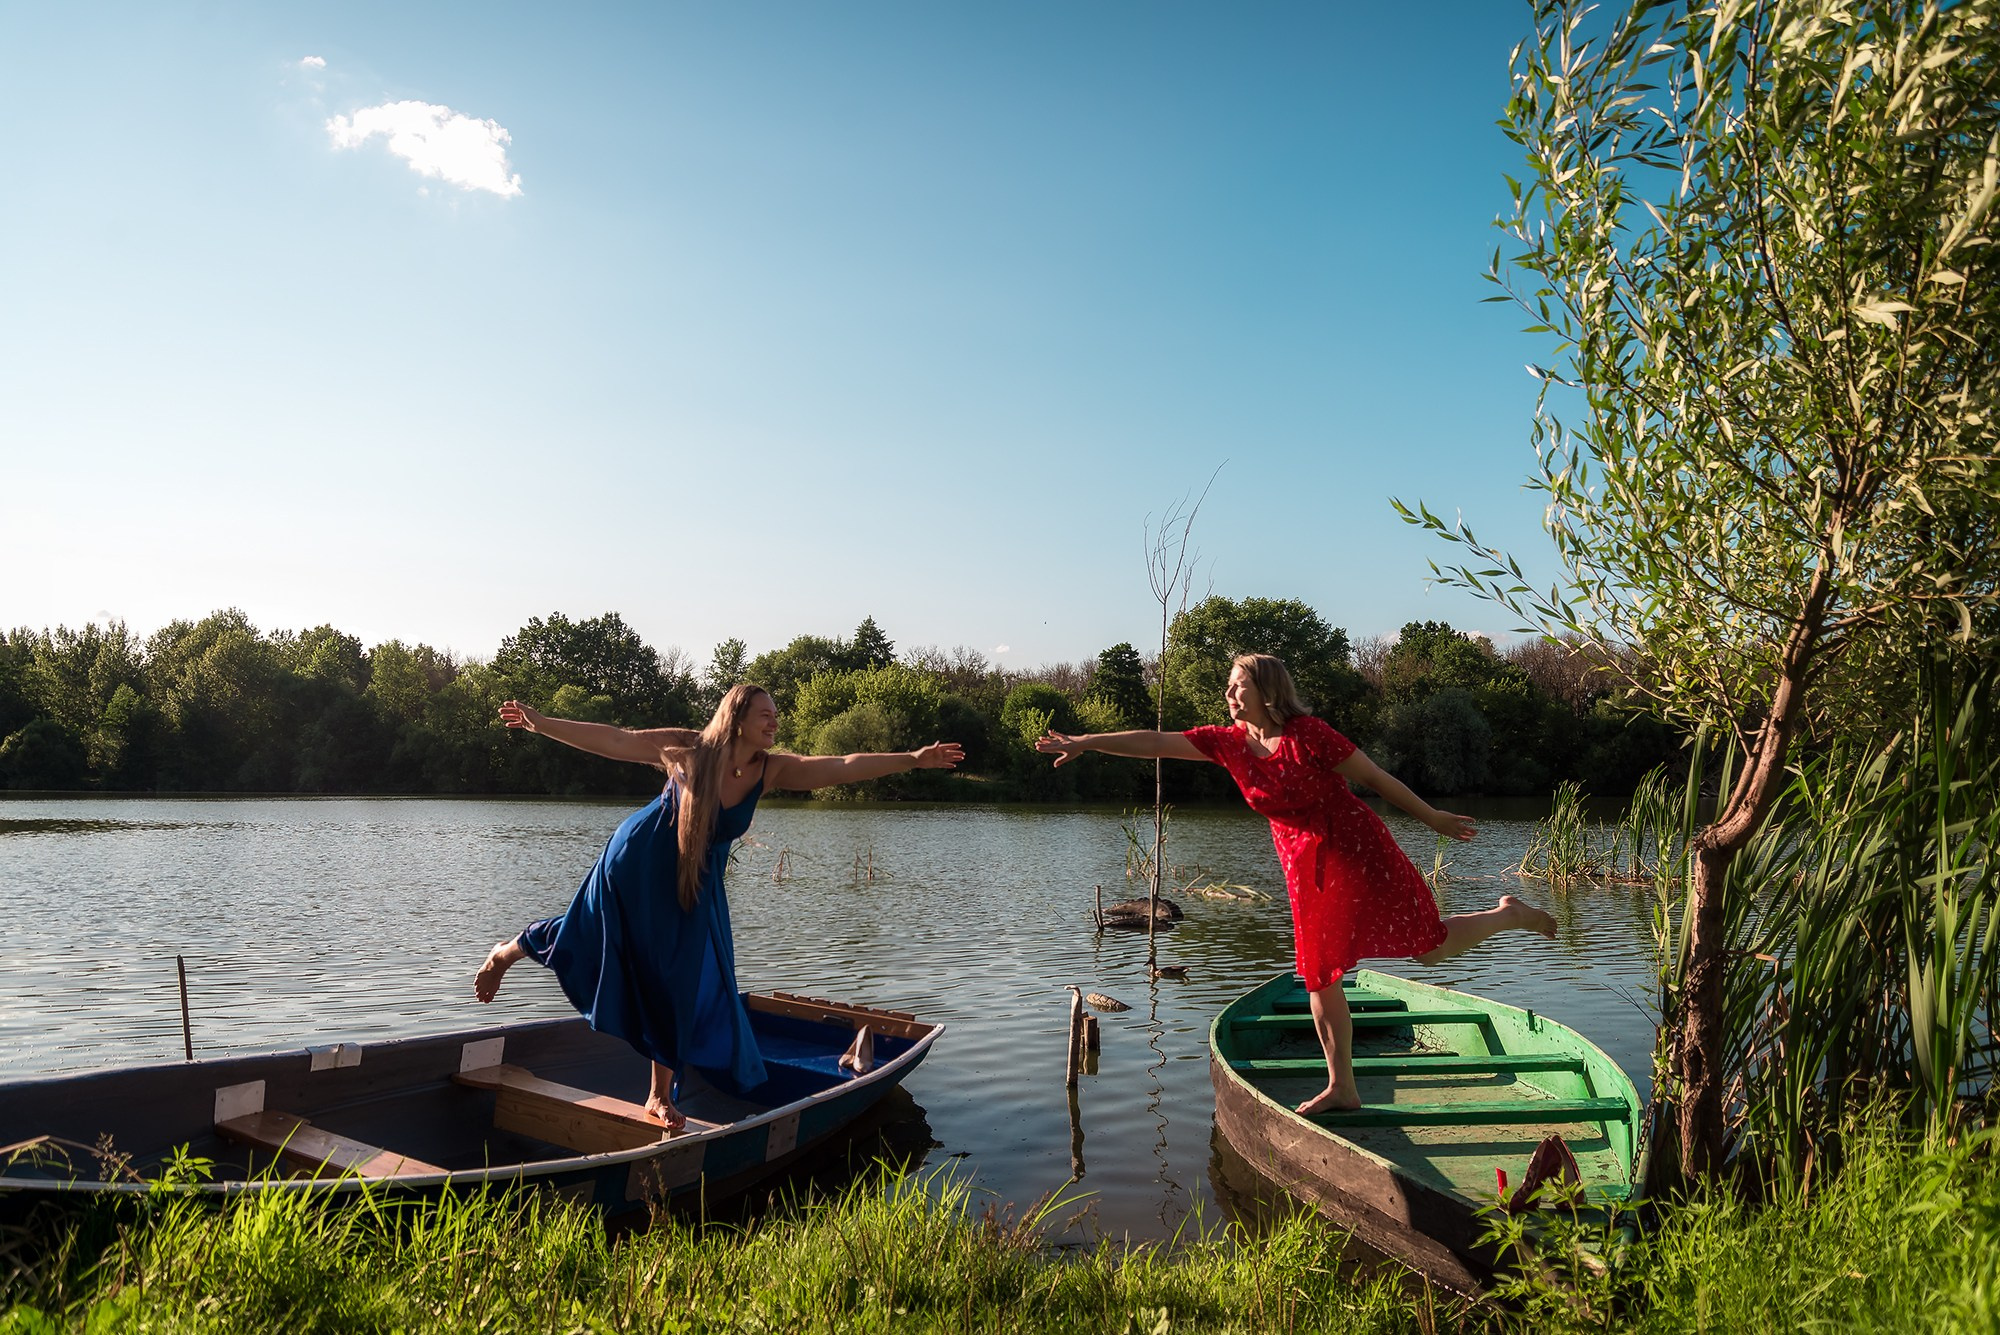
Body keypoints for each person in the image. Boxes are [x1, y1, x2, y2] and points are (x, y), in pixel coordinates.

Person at [1035, 652, 1556, 1115]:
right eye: (1228, 686)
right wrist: (1087, 741)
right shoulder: (1227, 745)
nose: (1229, 694)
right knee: (1318, 973)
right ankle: (1342, 1087)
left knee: (1428, 950)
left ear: (1268, 690)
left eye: (1238, 685)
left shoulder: (1310, 736)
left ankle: (1509, 914)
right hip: (1305, 869)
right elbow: (1155, 742)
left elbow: (1375, 778)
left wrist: (1431, 818)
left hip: (1357, 849)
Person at [475, 684, 963, 1129]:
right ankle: (509, 951)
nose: (775, 722)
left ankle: (657, 1095)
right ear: (736, 719)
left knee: (680, 975)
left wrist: (914, 758)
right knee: (589, 932)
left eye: (776, 715)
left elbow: (842, 765)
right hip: (640, 859)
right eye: (765, 715)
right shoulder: (691, 749)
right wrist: (544, 723)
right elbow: (616, 740)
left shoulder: (771, 768)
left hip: (695, 881)